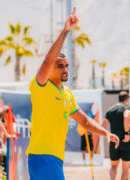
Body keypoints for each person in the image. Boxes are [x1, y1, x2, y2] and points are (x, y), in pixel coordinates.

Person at [26, 7, 119, 180]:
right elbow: (47, 60)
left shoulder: (66, 93)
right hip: (43, 155)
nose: (65, 69)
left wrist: (104, 133)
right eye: (60, 66)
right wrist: (65, 31)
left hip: (53, 157)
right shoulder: (41, 85)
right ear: (51, 69)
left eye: (67, 65)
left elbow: (84, 120)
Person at [102, 91, 130, 180]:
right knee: (125, 168)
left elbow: (103, 124)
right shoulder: (126, 108)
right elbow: (126, 117)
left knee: (113, 166)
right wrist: (126, 133)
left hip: (114, 141)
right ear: (126, 99)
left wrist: (107, 135)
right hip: (125, 141)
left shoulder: (110, 110)